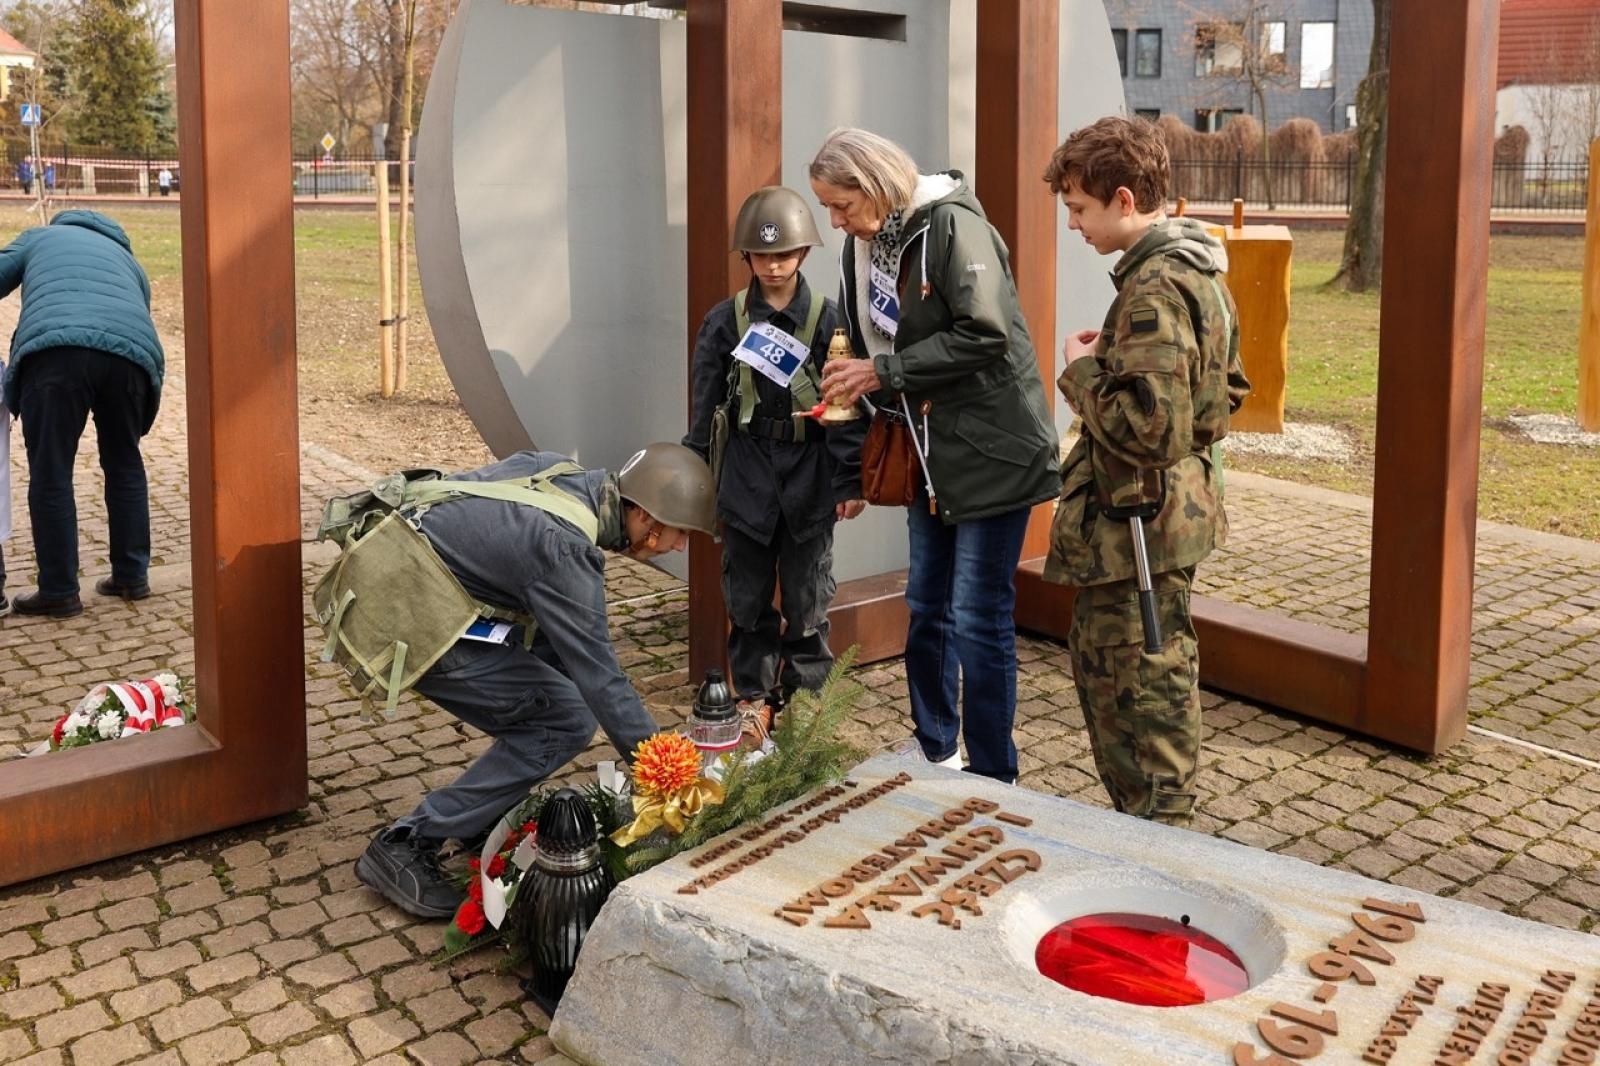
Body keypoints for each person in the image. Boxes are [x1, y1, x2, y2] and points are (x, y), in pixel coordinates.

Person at [345, 443, 716, 917]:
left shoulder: (559, 473)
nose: (680, 547)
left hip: (423, 584)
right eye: (680, 534)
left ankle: (473, 814)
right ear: (644, 517)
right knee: (565, 722)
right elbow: (601, 677)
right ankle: (408, 840)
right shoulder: (564, 548)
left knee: (554, 693)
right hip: (413, 617)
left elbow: (557, 637)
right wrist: (668, 775)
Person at [810, 128, 1059, 784]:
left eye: (840, 205)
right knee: (926, 602)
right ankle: (935, 751)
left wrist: (882, 372)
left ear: (876, 186)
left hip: (993, 450)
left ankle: (994, 775)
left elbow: (985, 333)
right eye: (827, 208)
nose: (833, 221)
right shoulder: (868, 242)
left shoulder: (951, 227)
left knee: (977, 614)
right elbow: (866, 334)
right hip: (930, 451)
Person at [1041, 116, 1250, 827]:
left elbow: (1152, 428)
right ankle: (1159, 827)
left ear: (1124, 200)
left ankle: (1161, 840)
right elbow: (1224, 390)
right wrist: (1117, 361)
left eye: (1079, 208)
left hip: (1139, 529)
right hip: (1168, 520)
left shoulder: (1155, 288)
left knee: (1137, 685)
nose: (1074, 225)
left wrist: (1079, 372)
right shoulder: (1196, 269)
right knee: (1149, 668)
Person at [683, 186, 864, 725]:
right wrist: (699, 482)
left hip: (810, 477)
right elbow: (704, 406)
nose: (774, 264)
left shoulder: (832, 321)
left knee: (808, 601)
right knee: (748, 600)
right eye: (762, 255)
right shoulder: (724, 321)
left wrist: (849, 481)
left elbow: (845, 407)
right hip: (745, 475)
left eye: (784, 253)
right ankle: (753, 699)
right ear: (747, 258)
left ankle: (807, 703)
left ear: (804, 253)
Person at [0, 210, 165, 619]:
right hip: (132, 360)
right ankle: (131, 575)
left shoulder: (39, 237)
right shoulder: (130, 262)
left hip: (55, 353)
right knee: (124, 462)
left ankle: (58, 591)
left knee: (51, 470)